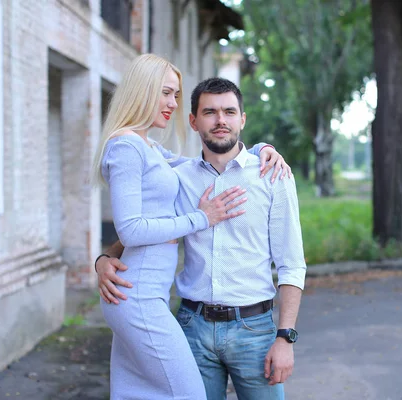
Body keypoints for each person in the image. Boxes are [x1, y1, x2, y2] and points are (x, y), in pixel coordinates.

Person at [92, 54, 291, 400]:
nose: (171, 103)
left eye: (175, 94)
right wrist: (203, 217)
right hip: (144, 299)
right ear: (144, 90)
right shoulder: (128, 147)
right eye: (166, 93)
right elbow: (131, 230)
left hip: (162, 299)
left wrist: (261, 148)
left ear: (241, 119)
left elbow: (213, 156)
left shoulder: (151, 149)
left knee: (130, 393)